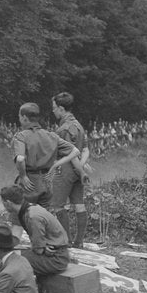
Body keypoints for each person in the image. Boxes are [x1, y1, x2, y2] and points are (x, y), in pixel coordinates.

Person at [10, 102, 77, 206]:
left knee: (23, 216)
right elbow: (75, 151)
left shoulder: (21, 136)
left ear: (24, 117)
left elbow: (20, 159)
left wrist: (23, 176)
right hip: (46, 182)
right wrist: (55, 165)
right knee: (43, 217)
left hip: (29, 183)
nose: (19, 119)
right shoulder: (51, 136)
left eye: (19, 116)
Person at [0, 185, 70, 277]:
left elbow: (39, 250)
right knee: (16, 254)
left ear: (8, 203)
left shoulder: (33, 217)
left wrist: (41, 248)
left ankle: (20, 288)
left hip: (56, 259)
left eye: (3, 202)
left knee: (11, 258)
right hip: (55, 253)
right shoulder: (29, 208)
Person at [50, 92, 91, 247]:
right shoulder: (79, 125)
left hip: (65, 170)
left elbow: (70, 153)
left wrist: (81, 171)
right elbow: (85, 150)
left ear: (61, 108)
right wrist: (81, 168)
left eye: (54, 108)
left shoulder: (64, 129)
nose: (53, 111)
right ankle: (79, 241)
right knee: (79, 204)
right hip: (77, 170)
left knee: (58, 205)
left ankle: (66, 241)